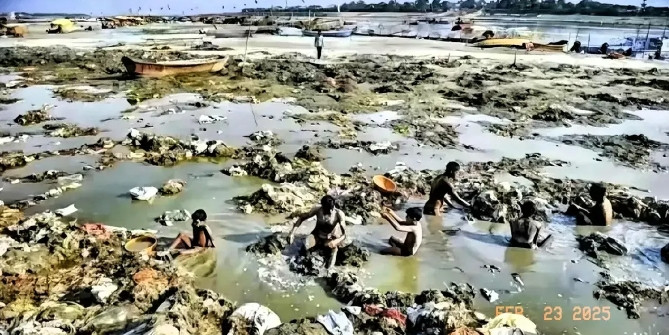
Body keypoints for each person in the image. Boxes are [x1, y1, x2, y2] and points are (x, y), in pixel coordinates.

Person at [288, 195, 346, 268]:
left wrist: (336, 241)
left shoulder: (339, 214)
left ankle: (330, 269)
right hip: (317, 235)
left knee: (334, 249)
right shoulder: (317, 210)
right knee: (306, 244)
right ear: (322, 207)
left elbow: (344, 235)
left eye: (332, 209)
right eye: (328, 209)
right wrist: (292, 233)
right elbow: (301, 218)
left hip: (330, 238)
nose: (331, 211)